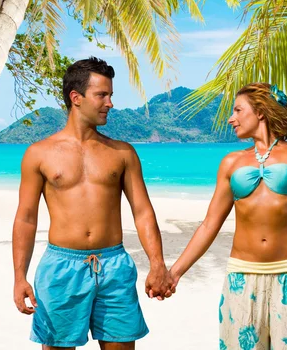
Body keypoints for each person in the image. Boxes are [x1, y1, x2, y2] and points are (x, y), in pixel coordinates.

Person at [12, 57, 173, 349]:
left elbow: (143, 211)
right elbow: (25, 218)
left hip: (114, 267)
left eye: (110, 95)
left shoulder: (122, 153)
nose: (110, 103)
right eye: (102, 95)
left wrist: (158, 264)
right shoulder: (39, 154)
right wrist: (19, 277)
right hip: (61, 267)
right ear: (76, 98)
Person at [168, 83, 287, 349]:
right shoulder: (231, 162)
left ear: (260, 112)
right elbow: (210, 224)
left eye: (238, 110)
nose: (231, 118)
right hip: (242, 276)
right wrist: (176, 272)